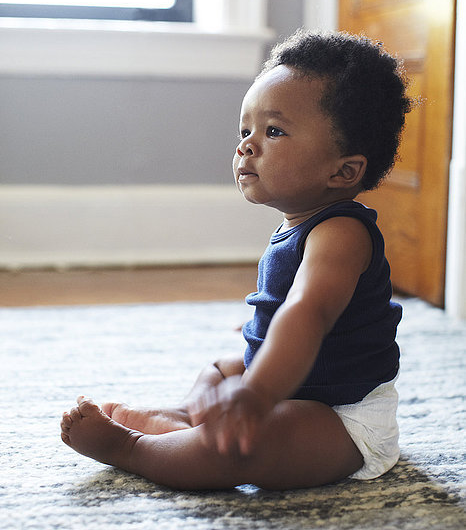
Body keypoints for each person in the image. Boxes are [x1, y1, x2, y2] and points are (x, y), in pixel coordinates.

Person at [61, 29, 413, 491]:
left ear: (343, 170)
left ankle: (131, 448)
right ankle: (188, 417)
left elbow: (308, 311)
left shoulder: (342, 232)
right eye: (244, 130)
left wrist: (258, 393)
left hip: (341, 416)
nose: (246, 145)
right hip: (291, 384)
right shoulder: (299, 224)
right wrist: (251, 364)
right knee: (223, 368)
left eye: (274, 131)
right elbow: (281, 310)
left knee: (247, 446)